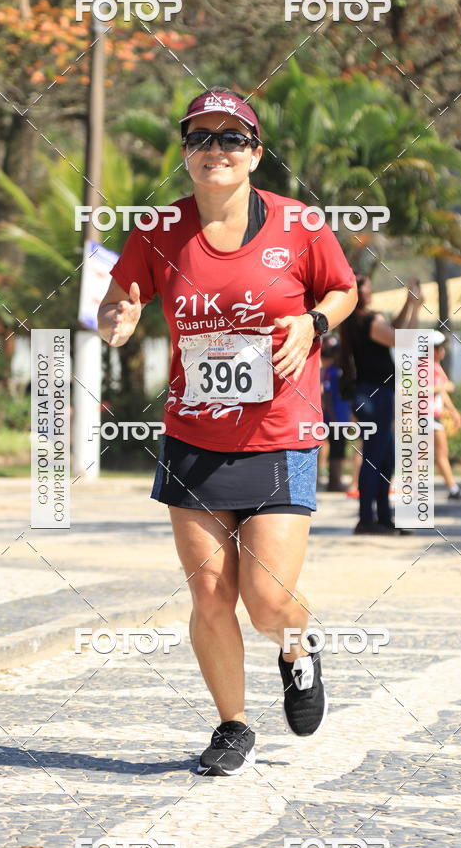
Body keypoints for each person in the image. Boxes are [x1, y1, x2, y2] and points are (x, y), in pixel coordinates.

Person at [97, 87, 357, 776]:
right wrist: (116, 316)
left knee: (267, 600)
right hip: (193, 435)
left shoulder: (300, 224)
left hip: (279, 429)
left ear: (255, 154)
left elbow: (343, 289)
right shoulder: (158, 228)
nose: (216, 148)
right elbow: (122, 294)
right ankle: (232, 726)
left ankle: (297, 650)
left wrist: (314, 322)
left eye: (231, 137)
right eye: (201, 137)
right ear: (186, 154)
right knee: (211, 592)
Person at [341, 274, 423, 534]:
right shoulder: (369, 320)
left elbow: (392, 328)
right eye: (367, 285)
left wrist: (409, 304)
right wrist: (416, 308)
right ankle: (367, 519)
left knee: (384, 459)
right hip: (377, 395)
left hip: (368, 394)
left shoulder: (354, 321)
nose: (372, 288)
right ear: (360, 293)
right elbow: (405, 339)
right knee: (376, 459)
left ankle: (382, 518)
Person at [432, 330, 461, 500]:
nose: (443, 351)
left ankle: (398, 486)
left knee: (424, 456)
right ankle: (453, 489)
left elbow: (441, 394)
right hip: (427, 417)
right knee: (440, 453)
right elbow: (420, 390)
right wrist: (444, 387)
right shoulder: (425, 366)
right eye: (440, 347)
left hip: (433, 416)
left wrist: (453, 411)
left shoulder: (435, 366)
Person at [320, 335, 351, 491]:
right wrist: (332, 419)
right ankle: (334, 482)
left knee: (338, 451)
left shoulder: (334, 371)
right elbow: (328, 397)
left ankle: (335, 480)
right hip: (335, 419)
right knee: (337, 452)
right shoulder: (333, 372)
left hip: (339, 418)